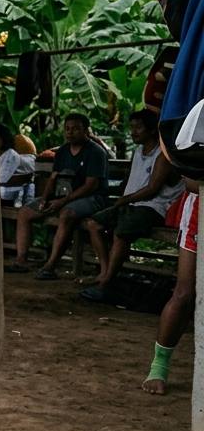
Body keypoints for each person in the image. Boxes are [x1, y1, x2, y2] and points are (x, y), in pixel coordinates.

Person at [80, 110, 183, 301]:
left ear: (152, 130)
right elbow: (130, 181)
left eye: (139, 128)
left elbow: (153, 189)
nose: (133, 132)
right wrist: (123, 198)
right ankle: (105, 271)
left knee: (121, 233)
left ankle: (106, 284)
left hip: (153, 207)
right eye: (132, 127)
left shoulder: (163, 155)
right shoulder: (137, 151)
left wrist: (124, 200)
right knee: (93, 224)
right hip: (132, 204)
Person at [9, 113, 108, 279]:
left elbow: (91, 185)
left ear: (86, 131)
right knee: (24, 213)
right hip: (61, 197)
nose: (70, 132)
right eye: (67, 129)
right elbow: (53, 178)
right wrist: (46, 198)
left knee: (66, 214)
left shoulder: (95, 152)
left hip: (91, 198)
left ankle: (50, 266)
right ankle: (21, 260)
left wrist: (62, 201)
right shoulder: (62, 151)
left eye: (76, 129)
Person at [141, 179, 198, 394]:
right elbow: (192, 182)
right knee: (184, 294)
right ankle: (159, 366)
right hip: (200, 212)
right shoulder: (189, 143)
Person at [0, 123, 36, 205]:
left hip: (12, 196)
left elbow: (1, 179)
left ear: (0, 140)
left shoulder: (10, 155)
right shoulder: (0, 155)